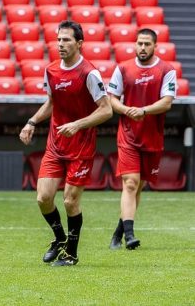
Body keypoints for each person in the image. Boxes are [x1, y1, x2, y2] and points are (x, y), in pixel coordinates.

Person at [19, 20, 113, 266]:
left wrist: (77, 124)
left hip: (81, 147)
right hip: (55, 145)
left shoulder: (89, 73)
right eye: (59, 39)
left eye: (66, 40)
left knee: (71, 201)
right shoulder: (51, 70)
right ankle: (59, 238)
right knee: (43, 198)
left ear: (79, 43)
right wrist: (31, 122)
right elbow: (51, 104)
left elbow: (106, 111)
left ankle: (71, 253)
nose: (60, 44)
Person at [106, 28, 176, 250]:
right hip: (128, 135)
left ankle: (118, 232)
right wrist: (127, 110)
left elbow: (167, 102)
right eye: (139, 43)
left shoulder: (166, 69)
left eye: (147, 44)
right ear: (135, 44)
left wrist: (143, 110)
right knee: (130, 183)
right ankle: (129, 235)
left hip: (152, 137)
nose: (142, 48)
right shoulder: (123, 68)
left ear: (155, 46)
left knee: (138, 187)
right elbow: (112, 99)